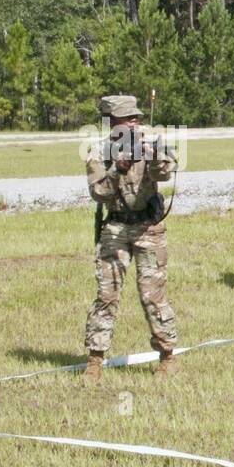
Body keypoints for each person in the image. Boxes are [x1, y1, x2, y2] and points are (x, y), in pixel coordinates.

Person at [83, 94, 179, 381]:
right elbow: (98, 192)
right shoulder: (99, 152)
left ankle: (167, 355)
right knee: (106, 295)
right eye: (128, 119)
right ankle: (95, 360)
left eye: (137, 118)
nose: (135, 122)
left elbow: (166, 174)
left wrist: (154, 157)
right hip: (115, 229)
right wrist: (117, 170)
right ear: (112, 123)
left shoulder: (152, 143)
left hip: (148, 227)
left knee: (152, 295)